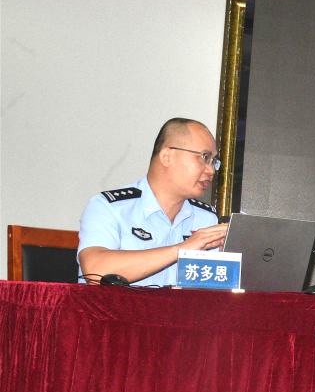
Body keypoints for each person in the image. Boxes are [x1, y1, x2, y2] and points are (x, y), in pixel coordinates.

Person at [77, 118, 228, 285]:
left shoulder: (207, 219)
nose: (211, 170)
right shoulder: (109, 207)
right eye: (204, 157)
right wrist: (183, 249)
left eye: (214, 162)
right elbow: (95, 271)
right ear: (167, 157)